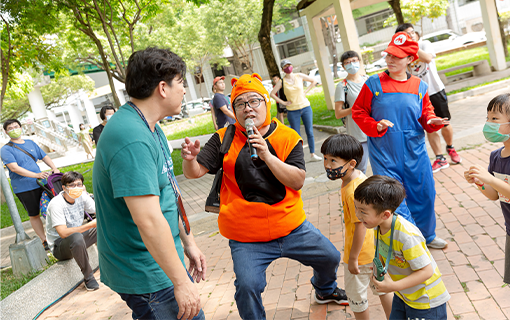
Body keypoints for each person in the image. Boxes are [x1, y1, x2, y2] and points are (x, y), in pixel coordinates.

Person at [182, 73, 348, 319]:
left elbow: (298, 180)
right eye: (240, 103)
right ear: (234, 109)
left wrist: (268, 155)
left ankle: (324, 290)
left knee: (330, 257)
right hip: (246, 236)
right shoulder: (222, 138)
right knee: (248, 287)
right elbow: (194, 173)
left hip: (292, 227)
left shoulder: (288, 137)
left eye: (254, 101)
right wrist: (190, 159)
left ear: (266, 103)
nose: (248, 108)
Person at [93, 47, 206, 320]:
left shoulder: (150, 126)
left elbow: (167, 191)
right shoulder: (131, 137)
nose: (185, 91)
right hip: (146, 271)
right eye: (181, 83)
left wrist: (187, 241)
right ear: (163, 88)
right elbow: (149, 220)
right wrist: (181, 282)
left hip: (159, 261)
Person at [352, 32, 449, 249]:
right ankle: (411, 241)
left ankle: (428, 235)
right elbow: (359, 111)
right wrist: (375, 125)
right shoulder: (373, 83)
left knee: (424, 193)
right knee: (392, 197)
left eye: (397, 56)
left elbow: (426, 115)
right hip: (385, 152)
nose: (390, 60)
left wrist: (434, 121)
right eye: (389, 55)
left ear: (410, 60)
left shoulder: (419, 86)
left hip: (415, 152)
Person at [354, 175, 450, 320]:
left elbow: (426, 271)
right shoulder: (378, 226)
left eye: (363, 211)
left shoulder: (406, 235)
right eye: (356, 208)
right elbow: (384, 252)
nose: (357, 215)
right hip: (404, 294)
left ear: (385, 214)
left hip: (426, 301)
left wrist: (392, 287)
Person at [321, 134, 392, 320]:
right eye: (325, 159)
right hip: (376, 250)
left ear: (351, 163)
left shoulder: (353, 191)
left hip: (360, 255)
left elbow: (360, 226)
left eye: (333, 160)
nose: (327, 165)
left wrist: (352, 258)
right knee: (383, 288)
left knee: (356, 296)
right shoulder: (357, 178)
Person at [396, 23, 462, 172]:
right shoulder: (402, 53)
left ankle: (450, 148)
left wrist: (411, 45)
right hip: (418, 95)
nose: (411, 35)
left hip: (435, 91)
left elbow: (426, 59)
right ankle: (440, 158)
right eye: (407, 34)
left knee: (445, 123)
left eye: (412, 32)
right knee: (430, 127)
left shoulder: (424, 44)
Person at [464, 93, 510, 285]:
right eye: (487, 118)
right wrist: (480, 182)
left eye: (494, 119)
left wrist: (489, 178)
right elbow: (495, 195)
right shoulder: (495, 156)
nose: (488, 123)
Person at [1, 119, 60, 250]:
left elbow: (44, 156)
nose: (14, 129)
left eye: (16, 126)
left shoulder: (30, 143)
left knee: (53, 208)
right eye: (10, 128)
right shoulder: (5, 149)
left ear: (21, 128)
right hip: (24, 187)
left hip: (42, 184)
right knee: (34, 214)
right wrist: (36, 175)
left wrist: (54, 168)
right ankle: (44, 240)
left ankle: (58, 234)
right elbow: (14, 168)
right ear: (6, 132)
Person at [45, 171, 98, 290]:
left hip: (77, 238)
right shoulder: (56, 204)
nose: (77, 188)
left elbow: (99, 211)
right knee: (76, 236)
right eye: (72, 185)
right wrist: (90, 225)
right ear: (64, 188)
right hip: (60, 246)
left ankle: (115, 262)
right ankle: (89, 278)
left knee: (105, 225)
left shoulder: (82, 196)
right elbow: (63, 233)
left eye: (79, 184)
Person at [270, 59, 322, 162]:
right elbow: (271, 94)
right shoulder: (282, 81)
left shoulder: (299, 76)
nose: (288, 67)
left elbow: (314, 81)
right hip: (292, 111)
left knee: (310, 132)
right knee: (296, 135)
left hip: (305, 107)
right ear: (283, 69)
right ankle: (299, 157)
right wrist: (283, 103)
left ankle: (313, 154)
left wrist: (305, 91)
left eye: (289, 65)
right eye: (285, 66)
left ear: (292, 66)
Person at [334, 51, 370, 174]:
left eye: (354, 61)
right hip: (358, 134)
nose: (352, 64)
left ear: (359, 62)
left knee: (381, 165)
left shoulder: (368, 80)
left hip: (375, 129)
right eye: (348, 62)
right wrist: (355, 107)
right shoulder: (342, 86)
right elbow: (338, 113)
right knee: (360, 169)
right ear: (343, 67)